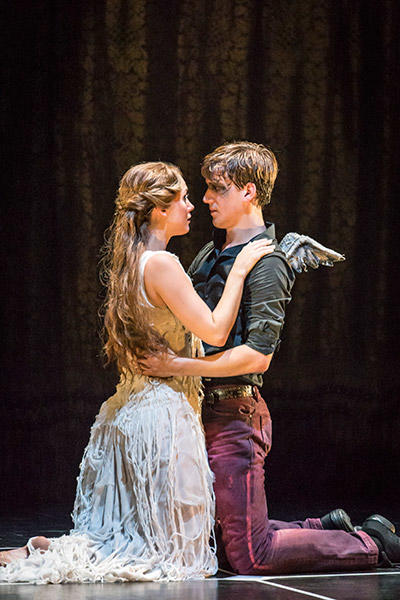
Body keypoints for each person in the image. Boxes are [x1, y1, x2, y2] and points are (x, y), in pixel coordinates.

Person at [0, 161, 275, 583]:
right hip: (162, 415)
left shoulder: (131, 260)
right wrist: (240, 269)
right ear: (159, 210)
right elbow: (217, 330)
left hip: (130, 410)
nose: (192, 205)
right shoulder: (161, 263)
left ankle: (43, 548)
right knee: (171, 558)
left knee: (137, 539)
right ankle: (48, 553)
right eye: (183, 197)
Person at [140, 141, 400, 575]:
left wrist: (180, 366)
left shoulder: (268, 261)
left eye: (216, 189)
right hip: (195, 412)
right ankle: (324, 527)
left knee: (249, 557)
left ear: (248, 192)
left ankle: (371, 542)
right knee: (213, 547)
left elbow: (257, 357)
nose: (205, 199)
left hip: (235, 415)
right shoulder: (209, 255)